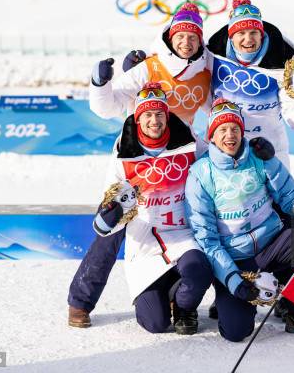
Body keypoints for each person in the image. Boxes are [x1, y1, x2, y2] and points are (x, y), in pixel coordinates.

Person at [184, 99, 294, 342]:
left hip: (272, 243)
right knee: (236, 331)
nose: (230, 135)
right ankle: (227, 294)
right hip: (236, 257)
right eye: (222, 130)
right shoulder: (201, 174)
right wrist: (234, 280)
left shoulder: (259, 157)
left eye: (235, 129)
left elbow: (291, 195)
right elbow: (207, 241)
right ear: (211, 136)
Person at [69, 82, 213, 334]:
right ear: (137, 118)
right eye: (147, 114)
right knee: (154, 323)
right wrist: (110, 215)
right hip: (143, 230)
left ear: (167, 116)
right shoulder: (124, 148)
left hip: (179, 228)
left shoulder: (187, 139)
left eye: (159, 114)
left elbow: (217, 164)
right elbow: (110, 200)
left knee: (204, 261)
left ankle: (190, 303)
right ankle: (80, 301)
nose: (154, 120)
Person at [205, 0, 294, 168]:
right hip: (224, 146)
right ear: (231, 37)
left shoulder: (282, 62)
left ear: (262, 35)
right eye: (241, 33)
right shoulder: (213, 55)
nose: (248, 39)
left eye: (254, 33)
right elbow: (188, 79)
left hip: (269, 147)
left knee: (281, 194)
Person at [89, 2, 213, 125]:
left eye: (192, 37)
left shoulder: (204, 71)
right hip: (140, 142)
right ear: (171, 38)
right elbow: (108, 109)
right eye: (180, 36)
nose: (186, 42)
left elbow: (219, 111)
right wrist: (99, 84)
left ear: (199, 41)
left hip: (183, 143)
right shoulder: (147, 69)